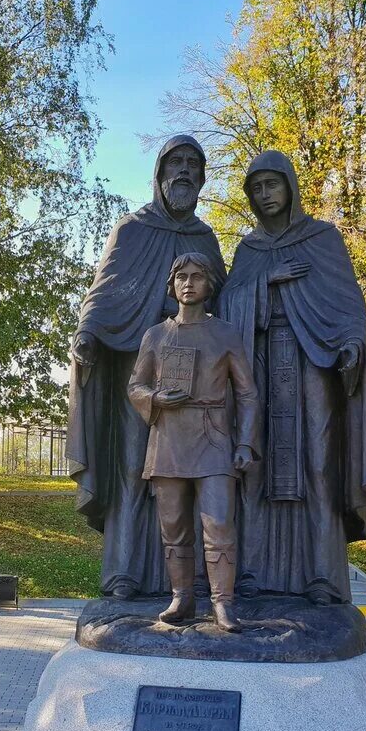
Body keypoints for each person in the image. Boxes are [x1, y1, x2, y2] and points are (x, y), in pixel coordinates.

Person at [67, 135, 227, 598]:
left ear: (201, 177)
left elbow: (226, 296)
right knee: (134, 469)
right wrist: (87, 334)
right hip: (139, 368)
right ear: (158, 174)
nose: (183, 171)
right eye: (174, 162)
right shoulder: (132, 230)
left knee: (193, 473)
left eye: (192, 165)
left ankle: (192, 581)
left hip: (195, 379)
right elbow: (105, 291)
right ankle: (123, 573)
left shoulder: (204, 238)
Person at [218, 151, 366, 604]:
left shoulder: (322, 239)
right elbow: (228, 307)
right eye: (256, 188)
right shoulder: (249, 250)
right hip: (261, 359)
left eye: (272, 184)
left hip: (313, 362)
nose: (264, 195)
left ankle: (323, 575)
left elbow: (349, 307)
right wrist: (266, 280)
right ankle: (249, 573)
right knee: (252, 465)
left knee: (318, 464)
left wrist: (350, 344)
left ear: (290, 186)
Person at [127, 253, 260, 631]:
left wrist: (245, 443)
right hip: (168, 437)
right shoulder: (156, 335)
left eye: (197, 277)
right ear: (172, 285)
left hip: (214, 437)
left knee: (218, 523)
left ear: (209, 285)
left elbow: (248, 393)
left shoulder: (226, 333)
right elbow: (135, 385)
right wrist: (153, 398)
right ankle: (182, 598)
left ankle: (223, 604)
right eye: (181, 277)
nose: (188, 283)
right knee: (173, 526)